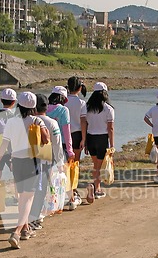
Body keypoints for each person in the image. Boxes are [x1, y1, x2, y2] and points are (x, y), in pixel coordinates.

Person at [0, 92, 50, 249]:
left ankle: (26, 229)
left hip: (16, 162)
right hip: (32, 162)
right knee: (28, 199)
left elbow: (4, 145)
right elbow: (46, 139)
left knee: (22, 198)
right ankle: (17, 232)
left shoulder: (12, 122)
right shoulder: (37, 120)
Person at [29, 93, 64, 230]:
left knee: (29, 191)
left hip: (28, 160)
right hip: (45, 161)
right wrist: (60, 163)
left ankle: (30, 217)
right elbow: (57, 144)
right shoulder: (52, 123)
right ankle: (35, 217)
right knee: (41, 190)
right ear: (47, 107)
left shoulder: (28, 121)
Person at [80, 82, 115, 199]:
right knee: (98, 166)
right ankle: (96, 188)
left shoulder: (87, 107)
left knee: (96, 164)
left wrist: (84, 141)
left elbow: (84, 124)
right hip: (102, 138)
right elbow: (110, 128)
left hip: (90, 138)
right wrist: (112, 144)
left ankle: (96, 186)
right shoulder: (108, 109)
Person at [46, 86, 78, 209]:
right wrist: (70, 151)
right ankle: (71, 199)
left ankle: (51, 199)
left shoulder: (45, 109)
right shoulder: (63, 110)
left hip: (47, 145)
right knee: (64, 173)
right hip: (62, 145)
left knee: (49, 174)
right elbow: (67, 132)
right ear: (63, 99)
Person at [65, 76, 86, 205]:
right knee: (75, 164)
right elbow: (83, 122)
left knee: (65, 164)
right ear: (79, 88)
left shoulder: (63, 101)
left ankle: (67, 190)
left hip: (64, 135)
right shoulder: (81, 103)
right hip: (77, 134)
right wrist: (84, 138)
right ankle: (73, 189)